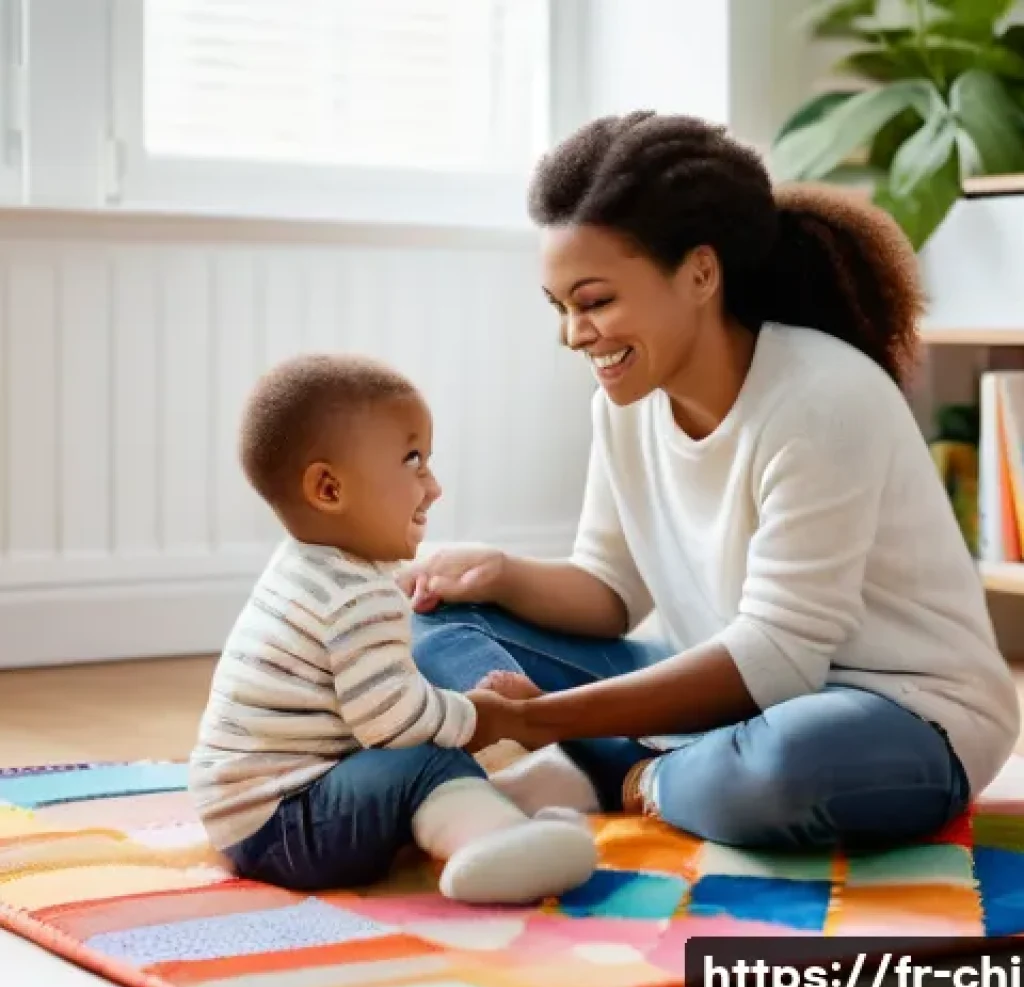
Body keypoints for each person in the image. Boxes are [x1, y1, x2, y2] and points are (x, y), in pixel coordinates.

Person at [401, 111, 1020, 851]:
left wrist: (544, 718)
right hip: (737, 699)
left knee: (788, 764)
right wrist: (500, 574)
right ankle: (647, 775)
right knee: (444, 623)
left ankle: (624, 778)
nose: (574, 333)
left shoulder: (823, 399)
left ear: (700, 273)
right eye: (561, 307)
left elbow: (777, 658)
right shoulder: (623, 411)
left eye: (595, 301)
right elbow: (609, 593)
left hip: (899, 715)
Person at [188, 353, 597, 903]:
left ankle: (496, 804)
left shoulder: (310, 568)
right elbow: (395, 725)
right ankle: (497, 842)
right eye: (413, 462)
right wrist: (485, 715)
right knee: (423, 755)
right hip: (288, 830)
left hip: (248, 823)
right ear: (330, 490)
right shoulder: (357, 597)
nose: (434, 488)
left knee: (425, 754)